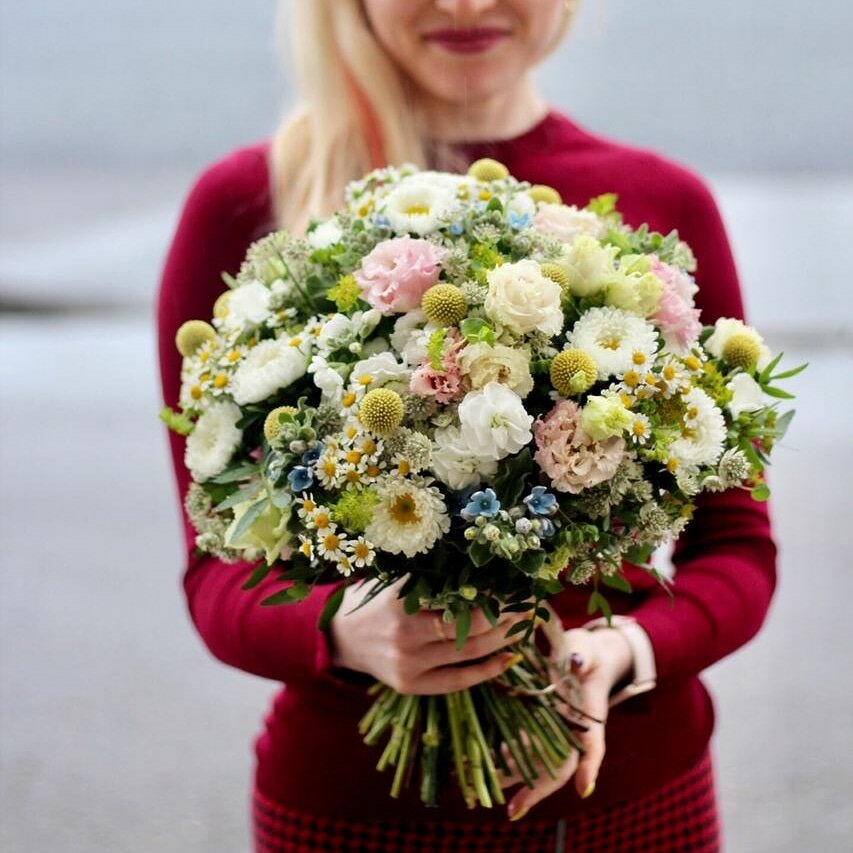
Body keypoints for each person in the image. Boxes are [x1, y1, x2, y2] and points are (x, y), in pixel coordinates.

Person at [157, 1, 777, 850]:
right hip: (355, 812)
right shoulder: (246, 204)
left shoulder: (663, 204)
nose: (462, 4)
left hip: (636, 797)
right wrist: (344, 630)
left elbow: (737, 545)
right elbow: (215, 572)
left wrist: (624, 650)